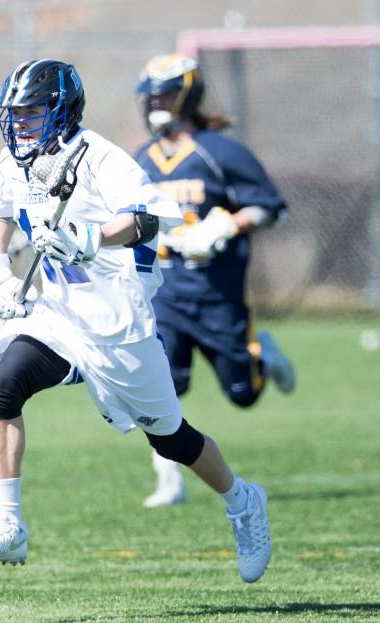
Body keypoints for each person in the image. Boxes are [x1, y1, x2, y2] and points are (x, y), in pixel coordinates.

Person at [0, 59, 272, 583]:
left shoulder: (100, 157)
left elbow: (147, 219)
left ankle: (242, 501)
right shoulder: (13, 163)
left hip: (117, 321)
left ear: (61, 109)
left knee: (170, 438)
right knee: (5, 386)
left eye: (32, 112)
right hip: (58, 315)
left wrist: (93, 239)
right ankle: (9, 526)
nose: (20, 124)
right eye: (15, 113)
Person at [132, 54, 295, 508]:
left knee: (242, 394)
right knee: (159, 389)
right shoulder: (140, 159)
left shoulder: (220, 152)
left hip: (217, 294)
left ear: (187, 95)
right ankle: (168, 480)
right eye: (150, 95)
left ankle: (263, 354)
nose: (155, 103)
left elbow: (272, 208)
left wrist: (223, 226)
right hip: (164, 294)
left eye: (164, 93)